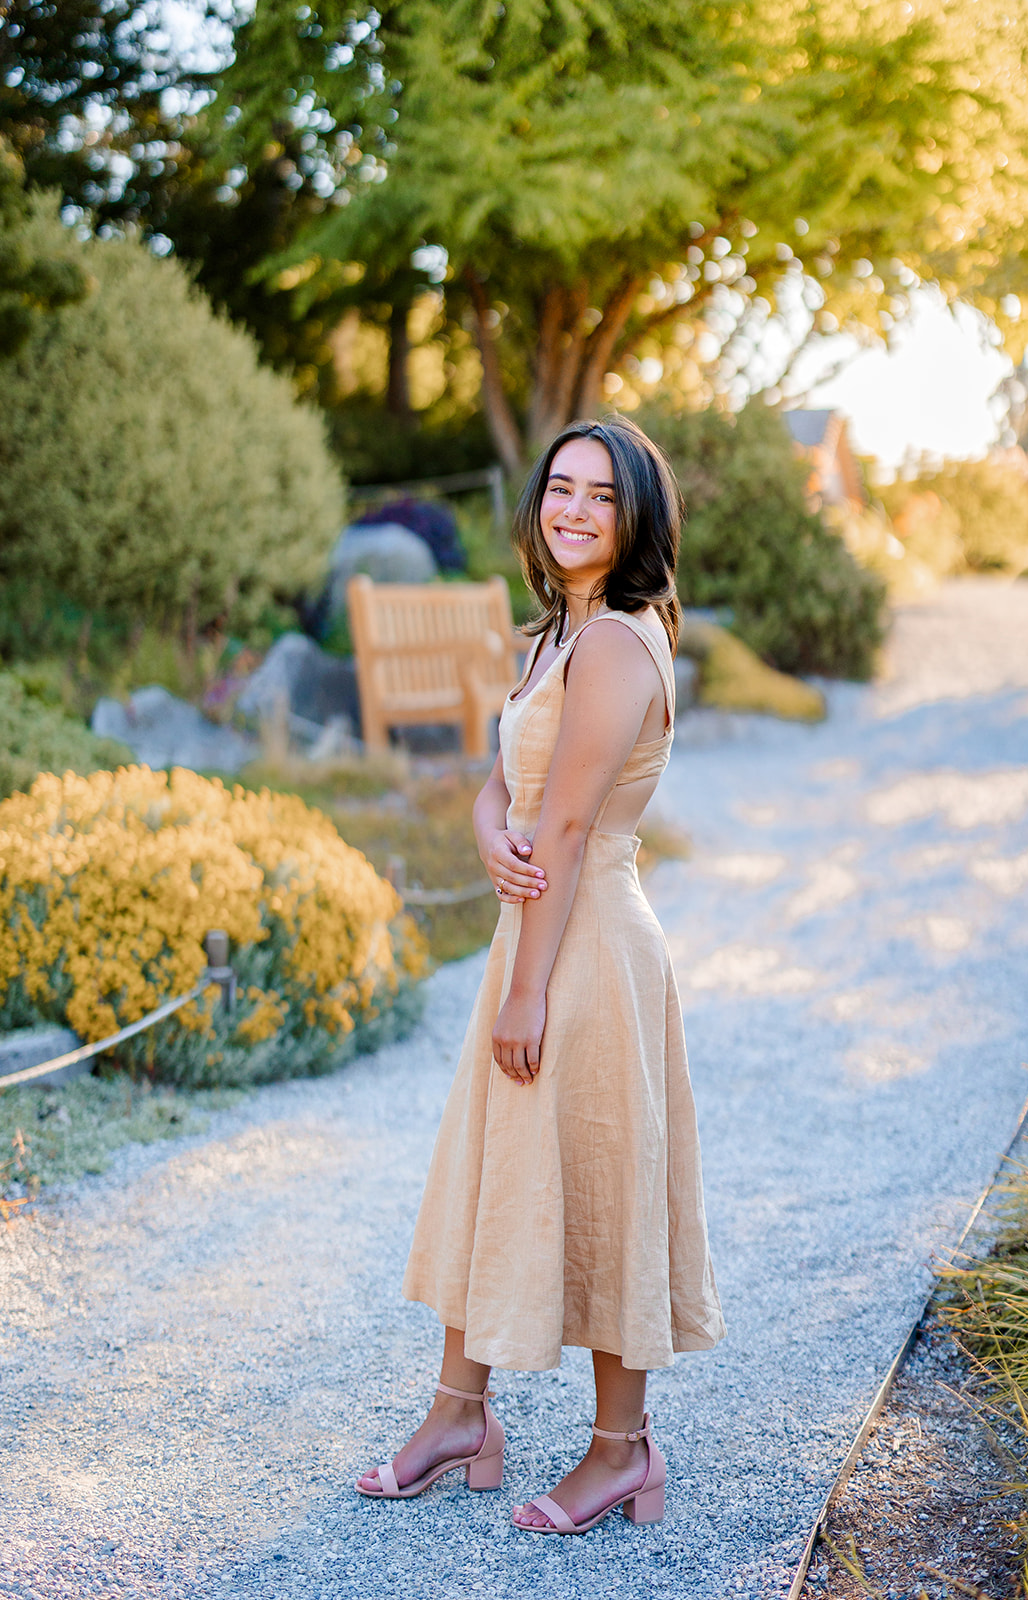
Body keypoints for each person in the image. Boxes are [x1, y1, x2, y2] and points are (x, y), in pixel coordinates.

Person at [356, 415, 725, 1535]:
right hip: (536, 926)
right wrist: (480, 828)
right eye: (557, 488)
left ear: (634, 518)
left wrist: (525, 986)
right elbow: (503, 787)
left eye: (598, 496)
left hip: (584, 949)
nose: (571, 509)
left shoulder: (617, 641)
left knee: (604, 1180)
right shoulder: (551, 637)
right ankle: (459, 1415)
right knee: (496, 1170)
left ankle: (623, 1452)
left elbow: (563, 828)